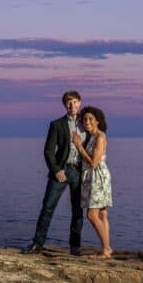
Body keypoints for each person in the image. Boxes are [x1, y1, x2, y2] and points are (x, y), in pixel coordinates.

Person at [23, 91, 85, 255]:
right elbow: (48, 151)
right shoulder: (56, 124)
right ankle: (37, 243)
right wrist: (57, 170)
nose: (71, 105)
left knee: (77, 211)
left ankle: (75, 247)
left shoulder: (87, 122)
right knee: (48, 207)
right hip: (62, 171)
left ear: (80, 102)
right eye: (68, 102)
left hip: (79, 172)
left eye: (74, 102)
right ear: (65, 105)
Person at [72, 105, 112, 259]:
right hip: (93, 177)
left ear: (97, 121)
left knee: (92, 215)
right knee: (102, 214)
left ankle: (106, 249)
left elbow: (94, 162)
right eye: (84, 119)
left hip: (97, 177)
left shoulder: (100, 137)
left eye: (90, 119)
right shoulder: (92, 136)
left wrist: (79, 147)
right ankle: (106, 249)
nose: (87, 122)